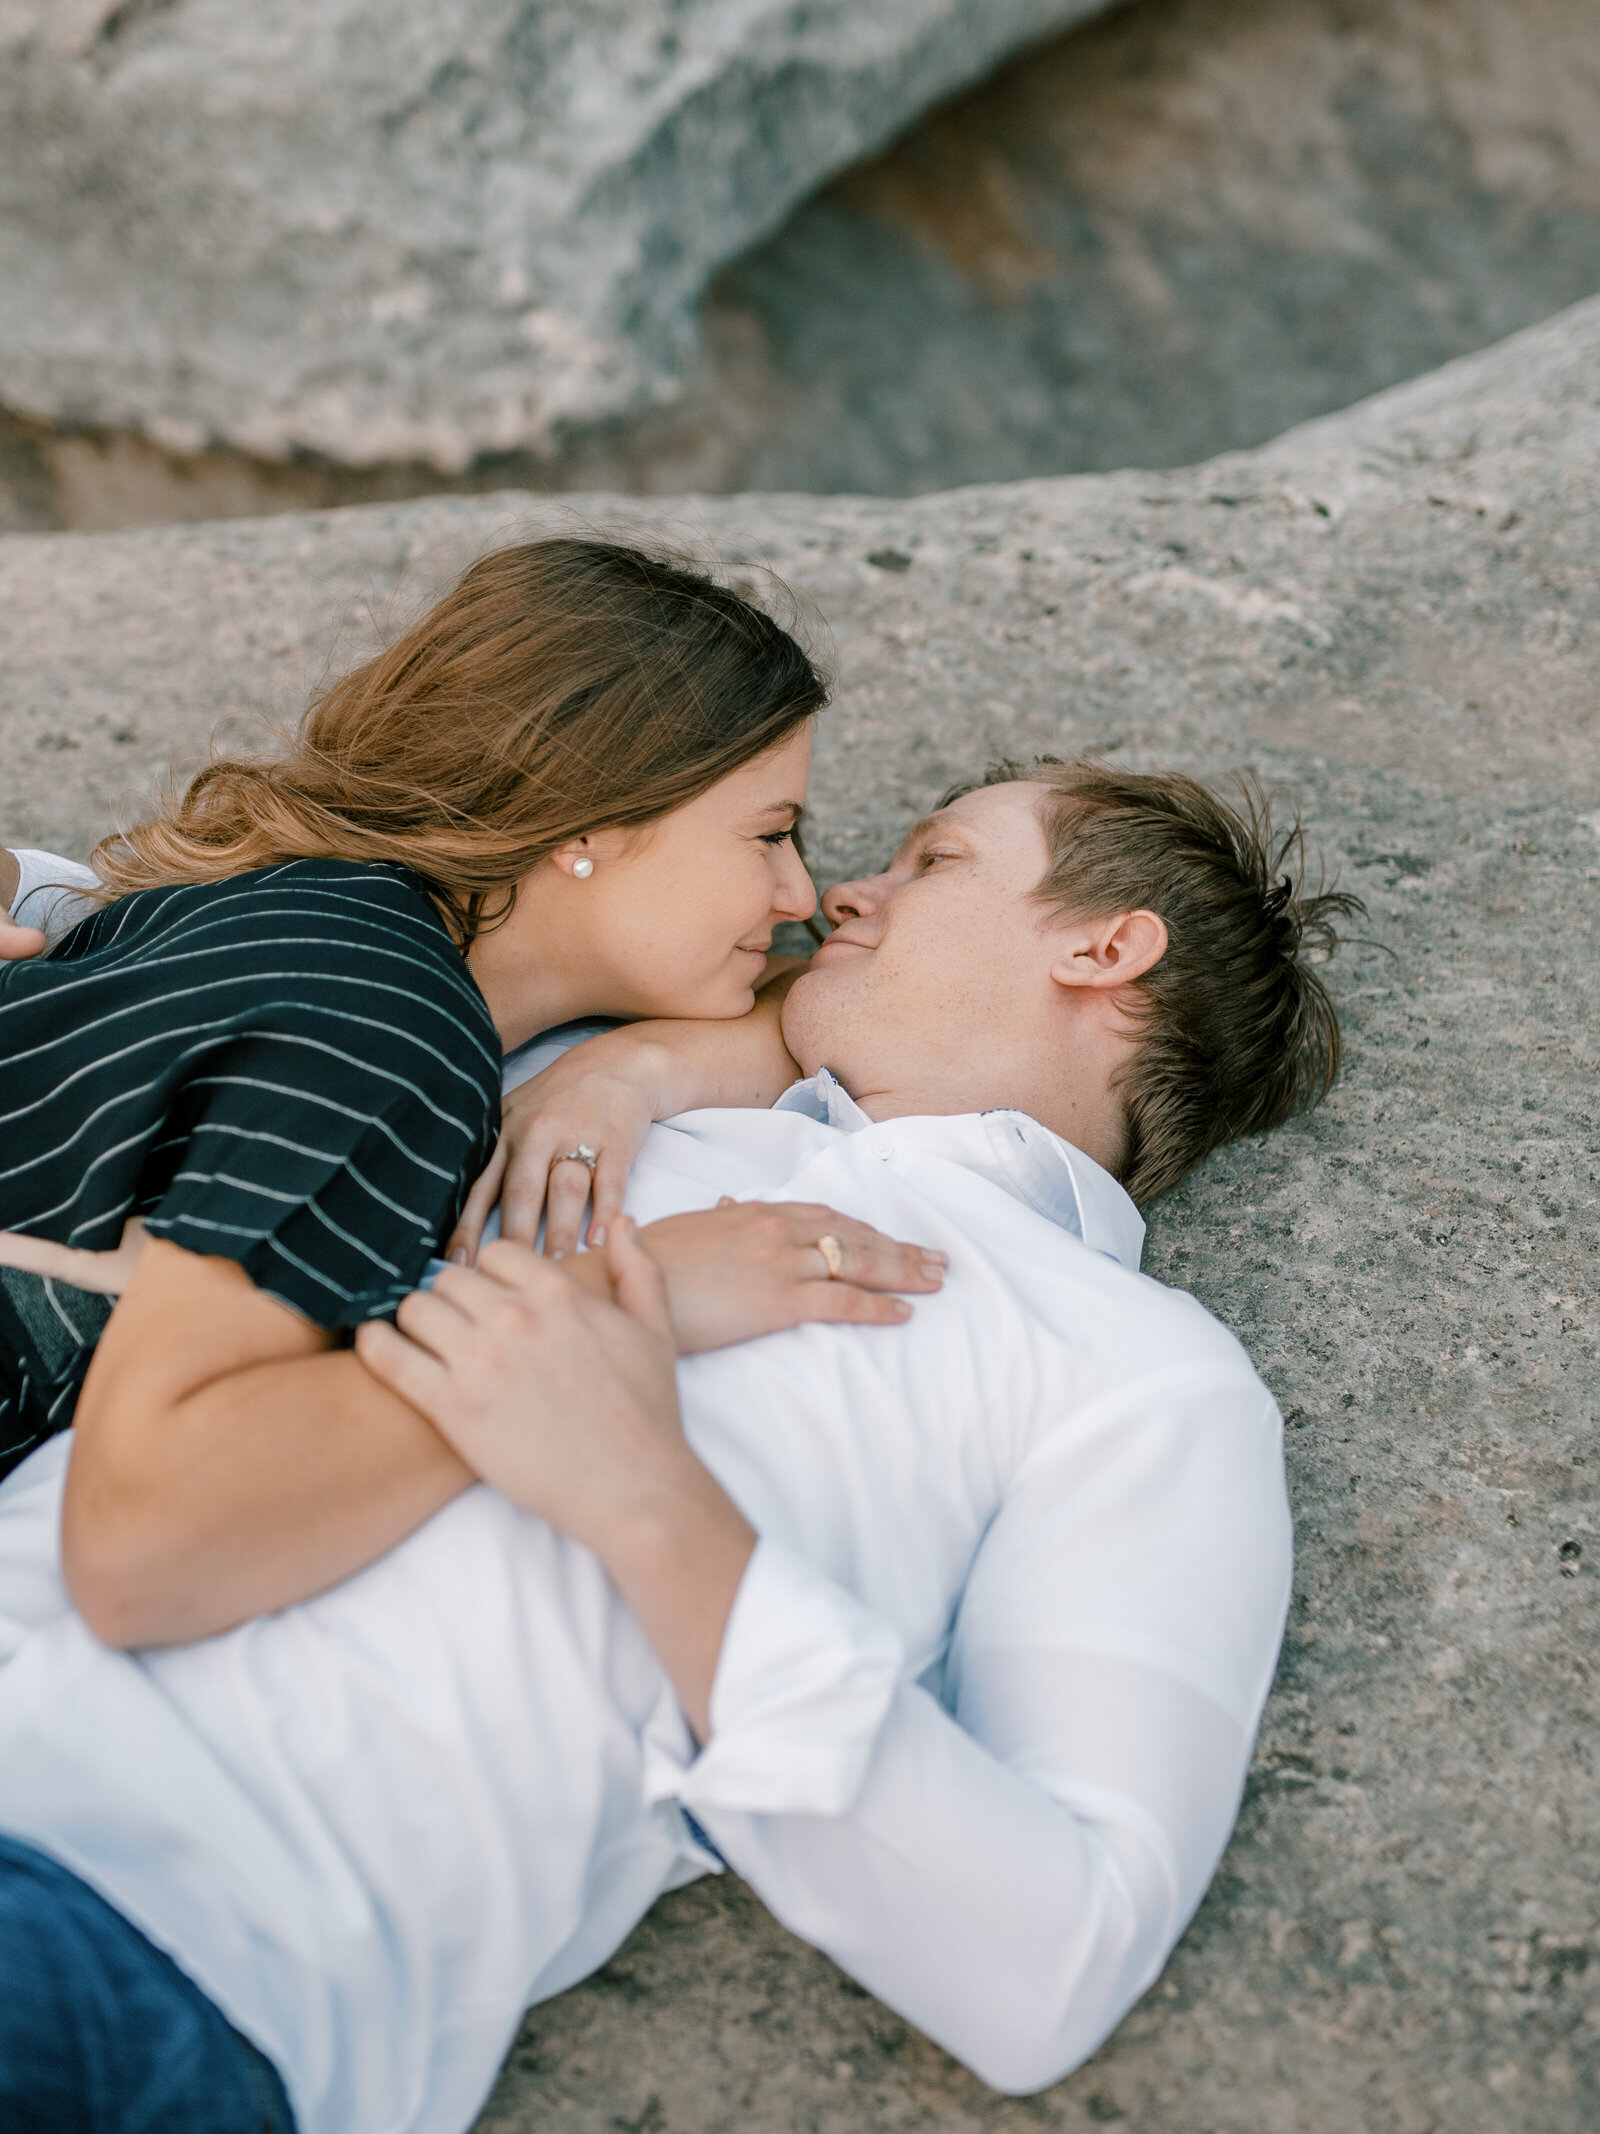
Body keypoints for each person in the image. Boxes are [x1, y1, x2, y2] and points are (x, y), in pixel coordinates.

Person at [0, 760, 1357, 2134]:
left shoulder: (1132, 1372)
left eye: (933, 860)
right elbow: (219, 941)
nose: (846, 889)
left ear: (1105, 943)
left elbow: (1054, 1961)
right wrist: (628, 1063)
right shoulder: (565, 1064)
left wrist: (649, 1500)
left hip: (166, 1921)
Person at [0, 538, 939, 1649]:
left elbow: (846, 1010)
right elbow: (142, 1550)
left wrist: (625, 1068)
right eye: (770, 833)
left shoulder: (283, 901)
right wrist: (630, 1308)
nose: (800, 894)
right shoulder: (392, 1033)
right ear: (589, 821)